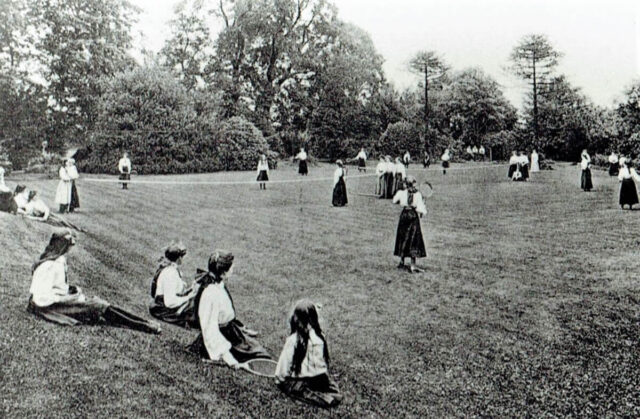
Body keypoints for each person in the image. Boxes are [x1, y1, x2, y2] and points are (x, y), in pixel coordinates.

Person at [28, 229, 161, 333]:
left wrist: (71, 290)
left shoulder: (58, 260)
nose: (70, 249)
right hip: (52, 307)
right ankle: (144, 326)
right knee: (99, 306)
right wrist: (69, 299)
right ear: (62, 246)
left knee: (102, 305)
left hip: (60, 300)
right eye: (69, 246)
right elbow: (41, 298)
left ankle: (145, 322)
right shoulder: (48, 266)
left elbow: (57, 286)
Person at [187, 251, 271, 366]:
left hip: (231, 332)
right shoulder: (210, 293)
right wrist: (229, 359)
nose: (233, 269)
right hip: (222, 337)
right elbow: (210, 329)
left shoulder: (218, 284)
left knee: (261, 353)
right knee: (261, 357)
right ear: (222, 273)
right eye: (230, 268)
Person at [275, 299, 342, 408]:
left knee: (291, 386)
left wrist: (279, 380)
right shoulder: (320, 337)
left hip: (304, 380)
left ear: (296, 319)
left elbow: (282, 371)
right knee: (327, 386)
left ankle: (323, 398)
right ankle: (325, 392)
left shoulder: (293, 340)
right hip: (319, 378)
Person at [149, 243, 199, 328]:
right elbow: (170, 302)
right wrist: (189, 297)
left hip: (163, 306)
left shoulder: (170, 269)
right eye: (182, 257)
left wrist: (191, 290)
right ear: (179, 258)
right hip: (164, 310)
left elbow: (177, 292)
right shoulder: (170, 273)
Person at [393, 176, 427, 273]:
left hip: (404, 215)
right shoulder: (418, 195)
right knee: (413, 239)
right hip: (412, 216)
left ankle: (401, 261)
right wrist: (423, 209)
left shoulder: (401, 193)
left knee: (403, 237)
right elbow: (420, 209)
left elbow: (394, 200)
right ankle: (412, 265)